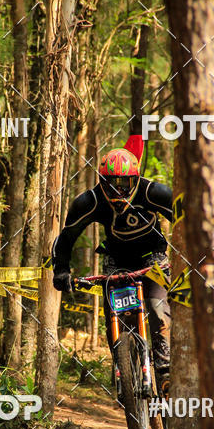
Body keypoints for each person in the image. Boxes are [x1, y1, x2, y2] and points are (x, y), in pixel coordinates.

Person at [52, 134, 172, 395]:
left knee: (155, 304)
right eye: (112, 183)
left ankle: (164, 368)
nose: (119, 190)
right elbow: (66, 238)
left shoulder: (153, 192)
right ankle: (121, 368)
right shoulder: (90, 201)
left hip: (153, 256)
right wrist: (61, 270)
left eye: (125, 183)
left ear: (136, 179)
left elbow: (185, 217)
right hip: (117, 259)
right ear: (101, 182)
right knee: (112, 313)